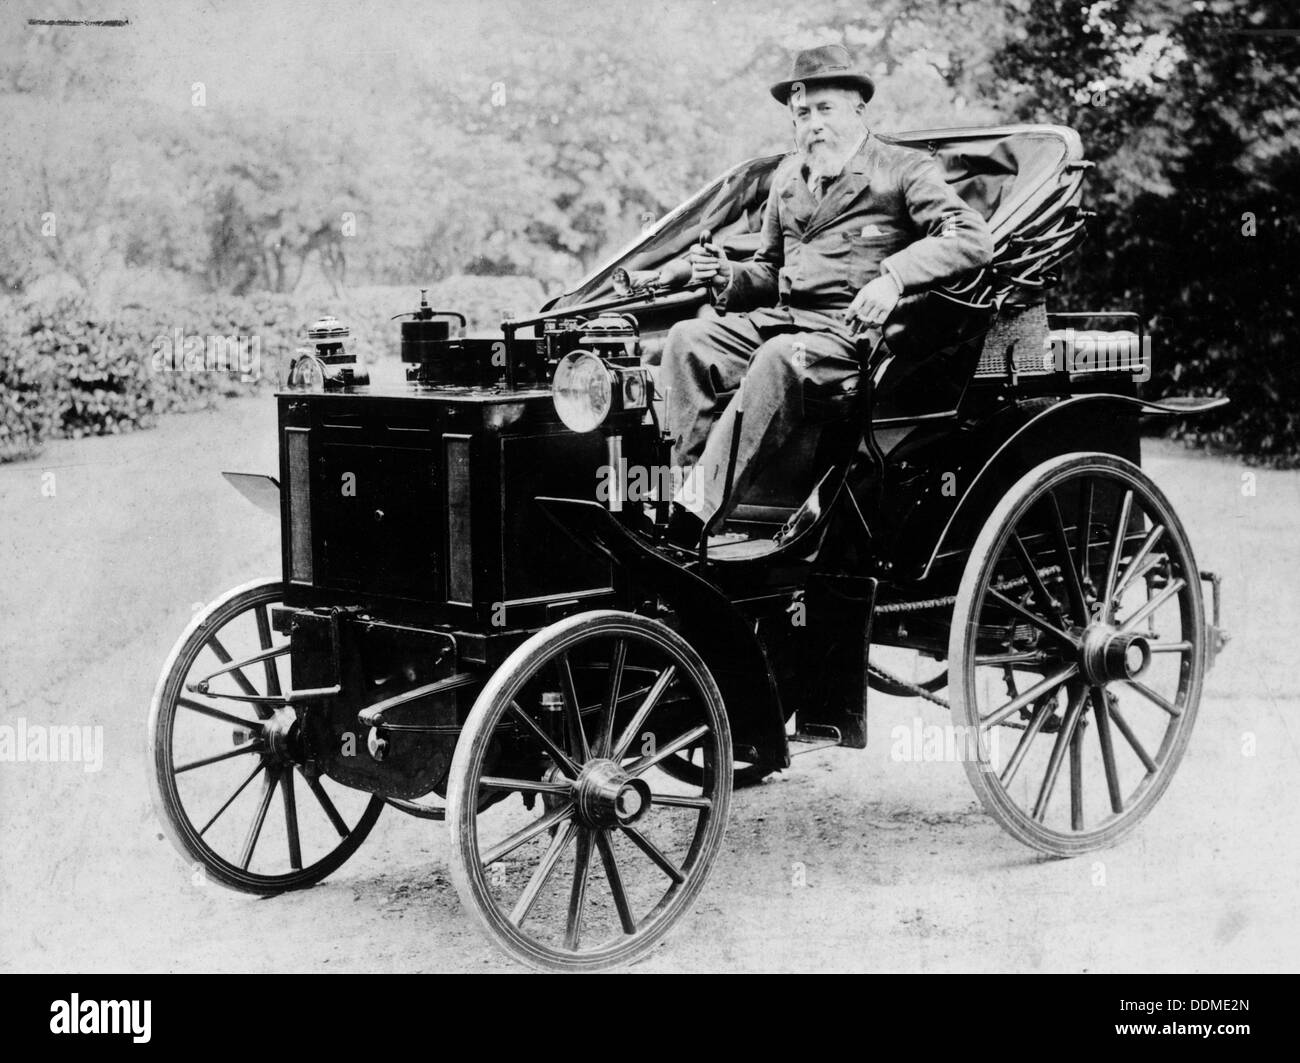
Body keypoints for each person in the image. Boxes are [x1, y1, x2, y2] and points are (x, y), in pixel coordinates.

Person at [656, 44, 994, 547]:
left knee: (778, 357)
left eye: (825, 110)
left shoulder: (902, 169)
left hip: (856, 337)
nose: (813, 124)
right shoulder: (789, 179)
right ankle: (676, 502)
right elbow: (770, 271)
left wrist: (894, 277)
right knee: (687, 339)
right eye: (802, 114)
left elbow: (970, 237)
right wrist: (726, 274)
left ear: (858, 108)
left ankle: (694, 520)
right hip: (788, 322)